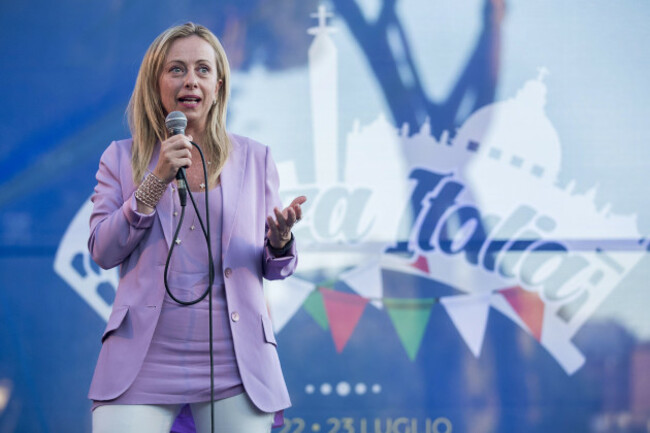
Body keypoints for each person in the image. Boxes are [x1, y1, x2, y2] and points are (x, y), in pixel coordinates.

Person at [87, 22, 306, 433]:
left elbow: (274, 267)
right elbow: (102, 250)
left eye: (203, 70)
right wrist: (156, 180)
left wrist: (280, 242)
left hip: (235, 359)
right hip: (141, 359)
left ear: (219, 85)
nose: (191, 80)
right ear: (157, 82)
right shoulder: (120, 158)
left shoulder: (256, 159)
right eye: (177, 69)